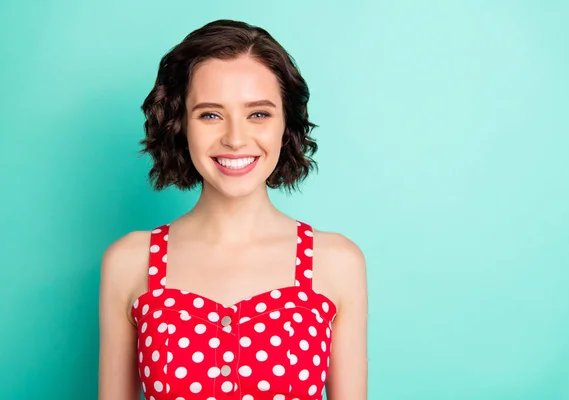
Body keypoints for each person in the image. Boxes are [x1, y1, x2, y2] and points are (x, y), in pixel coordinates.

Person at [98, 19, 368, 400]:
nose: (236, 138)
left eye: (258, 113)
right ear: (180, 125)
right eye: (210, 114)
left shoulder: (337, 262)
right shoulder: (129, 261)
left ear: (285, 124)